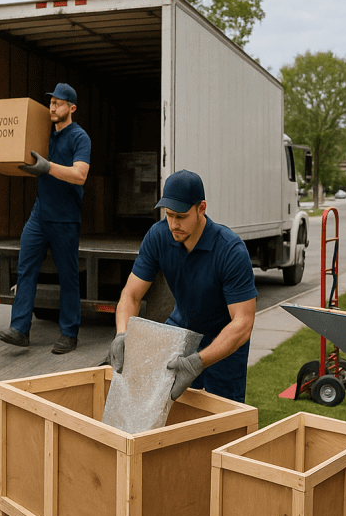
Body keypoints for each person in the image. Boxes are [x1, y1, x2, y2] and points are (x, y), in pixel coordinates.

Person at [108, 169, 257, 403]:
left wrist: (197, 362)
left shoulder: (230, 250)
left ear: (201, 208)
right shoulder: (158, 237)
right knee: (168, 411)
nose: (173, 224)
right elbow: (131, 295)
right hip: (180, 332)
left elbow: (243, 323)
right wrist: (122, 334)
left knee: (225, 425)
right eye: (169, 215)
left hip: (224, 342)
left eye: (181, 216)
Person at [0, 83, 91, 355]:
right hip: (40, 215)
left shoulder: (79, 138)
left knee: (68, 276)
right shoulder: (44, 134)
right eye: (51, 102)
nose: (52, 107)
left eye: (59, 103)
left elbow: (80, 175)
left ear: (71, 108)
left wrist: (47, 167)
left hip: (65, 218)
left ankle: (69, 333)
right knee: (26, 268)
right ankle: (20, 329)